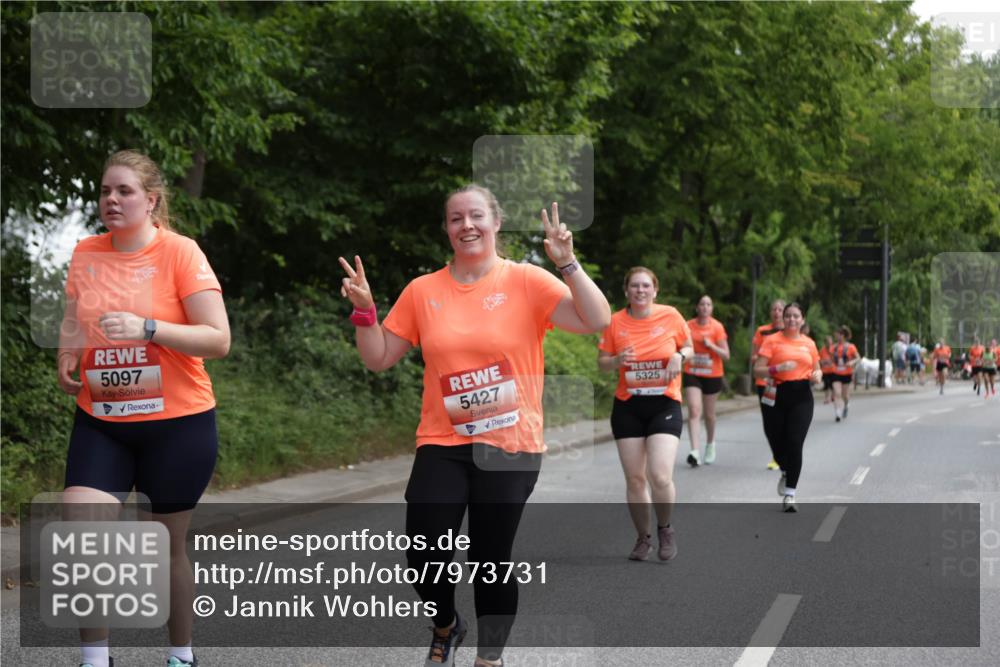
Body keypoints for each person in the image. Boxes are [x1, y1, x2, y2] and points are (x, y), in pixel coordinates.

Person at [339, 186, 610, 667]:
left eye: (476, 216)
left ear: (496, 222)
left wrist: (567, 264)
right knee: (424, 553)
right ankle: (447, 624)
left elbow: (596, 319)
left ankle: (490, 659)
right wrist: (364, 311)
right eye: (455, 218)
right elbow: (379, 357)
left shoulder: (527, 280)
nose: (466, 225)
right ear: (446, 228)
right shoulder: (424, 291)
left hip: (510, 443)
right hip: (443, 442)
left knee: (490, 560)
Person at [57, 150, 230, 667]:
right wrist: (68, 353)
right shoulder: (86, 251)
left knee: (168, 548)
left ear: (151, 201)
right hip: (103, 421)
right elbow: (74, 316)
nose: (112, 199)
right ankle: (95, 659)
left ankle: (181, 655)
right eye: (106, 190)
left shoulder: (179, 252)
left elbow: (217, 340)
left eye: (124, 191)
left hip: (177, 425)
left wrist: (148, 327)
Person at [597, 267, 692, 560]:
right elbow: (602, 363)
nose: (640, 291)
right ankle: (643, 538)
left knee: (660, 475)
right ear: (626, 291)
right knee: (636, 479)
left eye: (646, 286)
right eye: (635, 286)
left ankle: (665, 528)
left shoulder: (671, 316)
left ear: (655, 290)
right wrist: (616, 360)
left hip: (664, 403)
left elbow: (689, 346)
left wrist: (679, 355)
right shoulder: (614, 322)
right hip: (628, 406)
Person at [752, 303, 822, 513]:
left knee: (795, 440)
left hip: (801, 395)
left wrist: (817, 376)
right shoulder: (771, 340)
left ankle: (791, 493)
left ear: (802, 320)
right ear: (783, 319)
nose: (792, 319)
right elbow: (757, 371)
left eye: (796, 316)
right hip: (776, 393)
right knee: (774, 436)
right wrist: (777, 368)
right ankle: (784, 468)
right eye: (788, 316)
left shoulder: (809, 343)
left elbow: (817, 370)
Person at [682, 295, 729, 465]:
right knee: (694, 410)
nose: (705, 307)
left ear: (712, 308)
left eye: (708, 304)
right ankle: (694, 451)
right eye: (702, 304)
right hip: (692, 372)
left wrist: (712, 346)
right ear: (697, 308)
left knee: (709, 415)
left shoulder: (717, 327)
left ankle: (710, 444)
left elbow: (726, 355)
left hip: (712, 374)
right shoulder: (688, 325)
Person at [751, 299, 786, 470]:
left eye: (780, 309)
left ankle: (781, 455)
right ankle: (776, 455)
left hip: (784, 382)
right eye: (774, 309)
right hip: (765, 382)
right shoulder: (762, 331)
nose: (777, 312)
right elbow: (754, 356)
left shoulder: (789, 332)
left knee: (783, 418)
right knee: (769, 421)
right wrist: (763, 360)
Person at [830, 326, 859, 422]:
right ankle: (838, 413)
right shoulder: (833, 347)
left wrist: (852, 362)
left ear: (843, 336)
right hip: (835, 372)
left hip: (847, 373)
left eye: (838, 334)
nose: (836, 336)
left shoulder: (851, 347)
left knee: (844, 395)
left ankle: (846, 404)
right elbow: (831, 359)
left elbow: (858, 358)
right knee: (837, 392)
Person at [819, 335, 835, 404]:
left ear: (832, 342)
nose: (829, 343)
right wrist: (823, 362)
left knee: (833, 385)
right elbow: (819, 360)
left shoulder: (834, 349)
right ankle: (827, 398)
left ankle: (833, 396)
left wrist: (831, 360)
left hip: (833, 370)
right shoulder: (822, 350)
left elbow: (837, 359)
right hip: (825, 371)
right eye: (827, 342)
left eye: (830, 342)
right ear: (825, 342)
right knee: (826, 385)